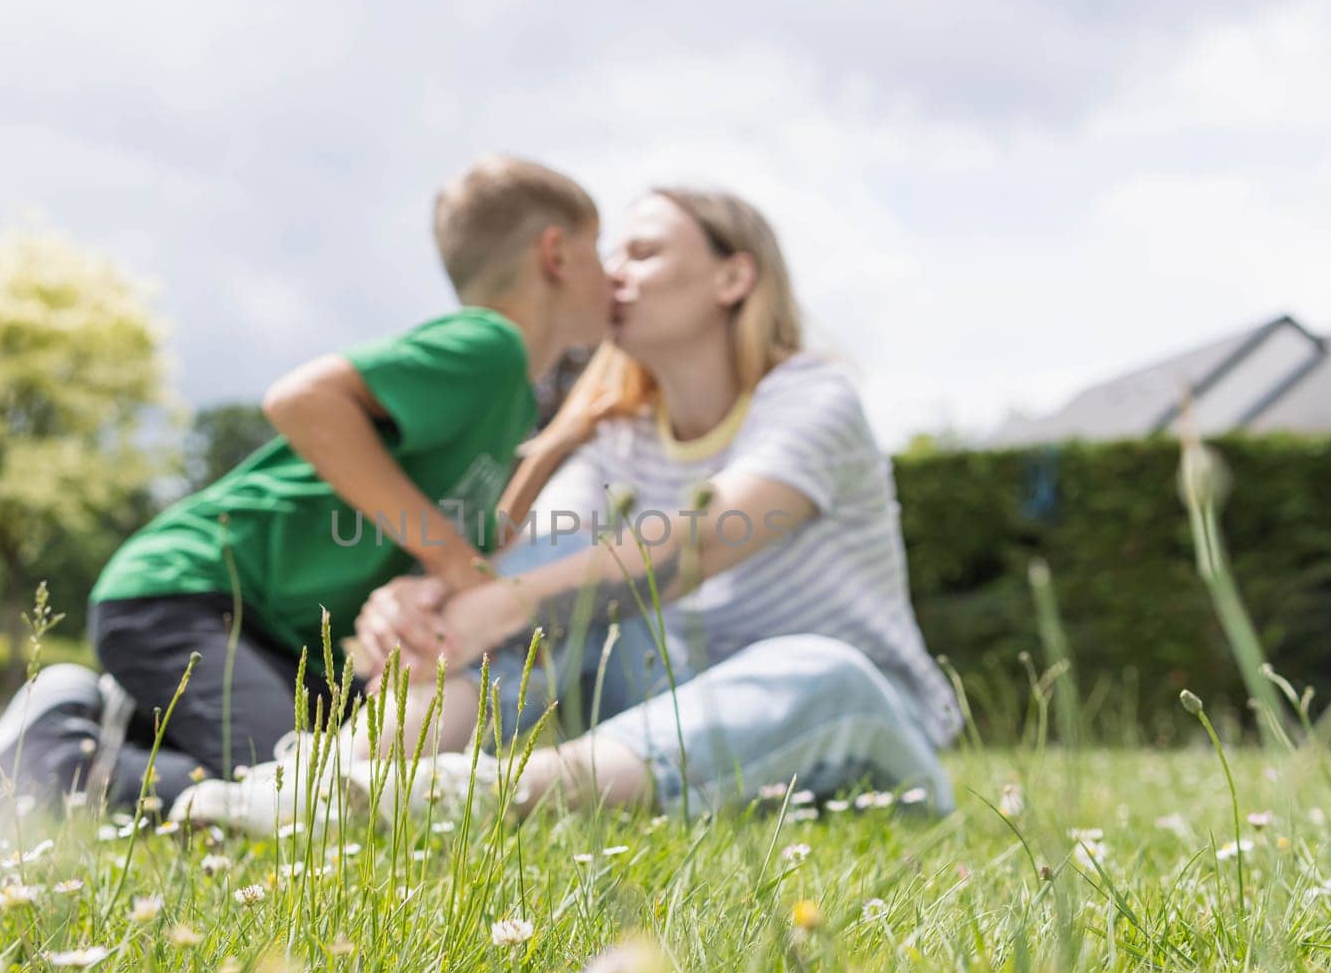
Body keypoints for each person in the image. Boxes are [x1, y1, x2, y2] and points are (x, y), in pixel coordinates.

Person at [176, 186, 962, 833]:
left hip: (864, 735)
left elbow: (698, 543)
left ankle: (482, 796)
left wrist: (500, 601)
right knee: (538, 602)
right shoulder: (617, 434)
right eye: (611, 252)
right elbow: (533, 565)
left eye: (645, 252)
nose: (614, 272)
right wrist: (430, 598)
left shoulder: (812, 398)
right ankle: (330, 785)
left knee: (821, 668)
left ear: (734, 279)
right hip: (677, 731)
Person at [0, 154, 614, 809]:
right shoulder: (487, 347)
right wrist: (445, 555)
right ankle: (56, 756)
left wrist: (535, 473)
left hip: (274, 640)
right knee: (306, 798)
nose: (611, 275)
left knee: (356, 770)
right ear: (555, 253)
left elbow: (474, 535)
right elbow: (302, 400)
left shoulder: (516, 400)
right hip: (188, 593)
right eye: (599, 249)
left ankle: (114, 720)